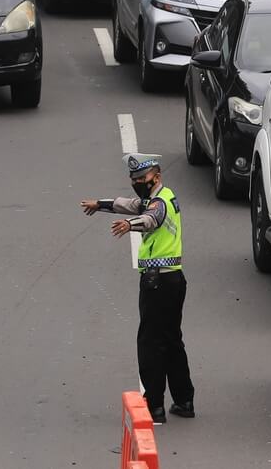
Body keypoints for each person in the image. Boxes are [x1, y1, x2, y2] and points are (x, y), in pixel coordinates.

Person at [80, 153, 195, 424]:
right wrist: (101, 205)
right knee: (171, 340)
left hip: (157, 283)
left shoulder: (159, 203)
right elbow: (131, 205)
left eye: (142, 178)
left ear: (156, 176)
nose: (137, 183)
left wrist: (128, 225)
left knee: (150, 342)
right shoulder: (161, 196)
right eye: (134, 180)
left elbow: (150, 219)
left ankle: (154, 404)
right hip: (173, 279)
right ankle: (184, 400)